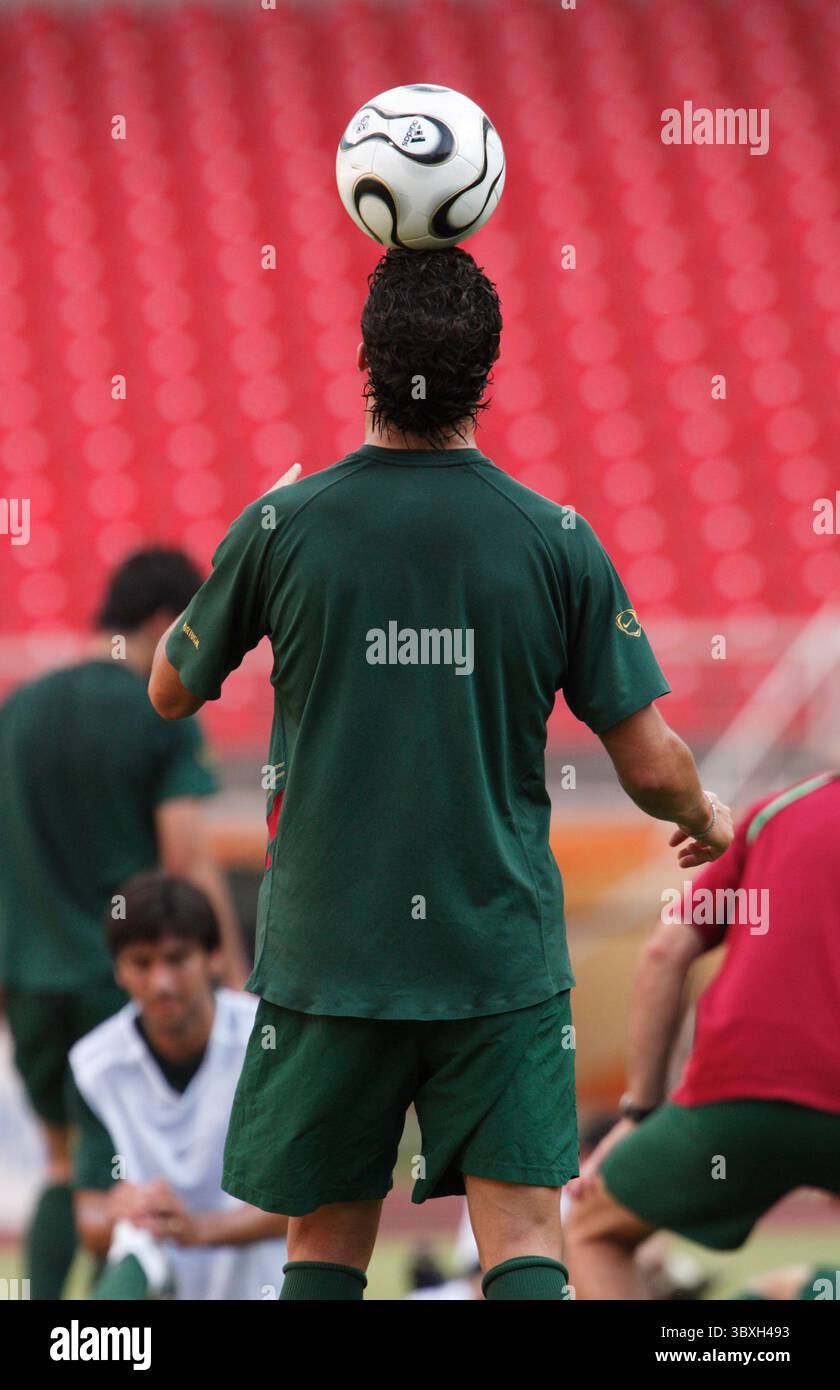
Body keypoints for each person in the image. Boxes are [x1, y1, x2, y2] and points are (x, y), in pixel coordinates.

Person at [149, 246, 733, 1301]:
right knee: (521, 1234)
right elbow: (649, 764)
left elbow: (170, 687)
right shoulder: (555, 540)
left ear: (366, 363)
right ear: (489, 370)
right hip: (494, 949)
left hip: (330, 947)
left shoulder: (287, 525)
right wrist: (706, 812)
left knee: (324, 1243)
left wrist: (250, 522)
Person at [0, 547, 247, 1299]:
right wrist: (228, 970)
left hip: (29, 975)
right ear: (165, 621)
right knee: (136, 1183)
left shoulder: (18, 708)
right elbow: (185, 855)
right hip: (132, 974)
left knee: (64, 1164)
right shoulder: (158, 710)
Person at [565, 771, 840, 1299]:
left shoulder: (774, 813)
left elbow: (665, 951)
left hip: (740, 1090)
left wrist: (639, 1113)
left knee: (591, 1229)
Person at [69, 871, 287, 1300]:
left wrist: (196, 1229)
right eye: (142, 963)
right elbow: (90, 1216)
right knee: (136, 1244)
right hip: (154, 1275)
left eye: (177, 958)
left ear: (215, 957)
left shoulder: (267, 1041)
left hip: (263, 1278)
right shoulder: (94, 1065)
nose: (162, 983)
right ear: (118, 970)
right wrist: (124, 1211)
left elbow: (308, 1203)